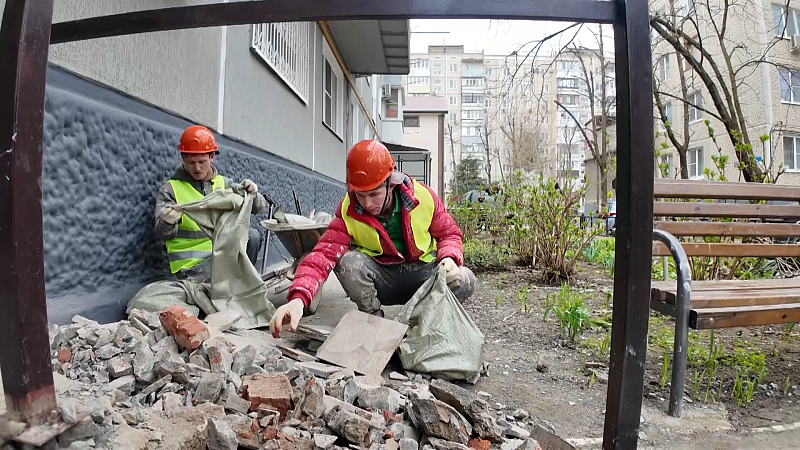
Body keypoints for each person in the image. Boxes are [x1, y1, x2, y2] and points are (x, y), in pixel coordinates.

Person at [270, 140, 476, 336]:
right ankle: (374, 323)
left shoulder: (423, 197)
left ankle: (418, 322)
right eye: (360, 195)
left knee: (464, 279)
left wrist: (449, 258)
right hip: (383, 279)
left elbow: (449, 234)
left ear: (391, 184)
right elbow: (323, 254)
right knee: (348, 263)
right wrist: (298, 299)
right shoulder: (348, 210)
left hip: (421, 277)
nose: (367, 204)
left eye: (374, 194)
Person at [154, 124, 268, 281]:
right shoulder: (171, 189)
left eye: (202, 161)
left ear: (212, 156)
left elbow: (259, 207)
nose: (197, 168)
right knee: (225, 278)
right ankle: (233, 287)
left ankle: (239, 286)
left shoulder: (224, 184)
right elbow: (161, 234)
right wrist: (167, 222)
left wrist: (253, 194)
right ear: (183, 158)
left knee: (252, 236)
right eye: (192, 162)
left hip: (220, 257)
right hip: (191, 268)